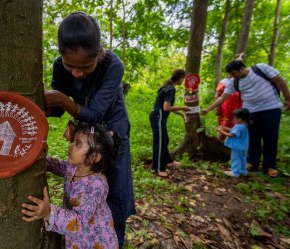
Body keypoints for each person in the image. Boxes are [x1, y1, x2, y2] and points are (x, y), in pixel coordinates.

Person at [43, 12, 135, 247]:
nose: (76, 73)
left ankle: (115, 239)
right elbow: (57, 109)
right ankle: (83, 236)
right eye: (69, 65)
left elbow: (96, 112)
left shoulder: (112, 65)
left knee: (114, 189)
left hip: (111, 133)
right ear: (61, 56)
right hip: (86, 130)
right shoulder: (58, 66)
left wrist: (63, 101)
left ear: (99, 54)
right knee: (80, 179)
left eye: (85, 66)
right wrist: (42, 103)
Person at [22, 123, 120, 248]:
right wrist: (41, 160)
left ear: (93, 157)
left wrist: (49, 212)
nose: (70, 146)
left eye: (78, 144)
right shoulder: (74, 167)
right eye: (73, 141)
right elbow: (57, 166)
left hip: (95, 241)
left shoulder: (96, 186)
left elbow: (79, 222)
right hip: (78, 237)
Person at [202, 60, 290, 177]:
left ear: (242, 68)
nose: (232, 76)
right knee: (253, 137)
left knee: (270, 137)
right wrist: (208, 109)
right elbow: (223, 97)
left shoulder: (261, 68)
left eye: (233, 73)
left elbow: (279, 81)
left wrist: (288, 98)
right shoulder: (234, 82)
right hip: (250, 112)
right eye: (230, 74)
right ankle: (252, 163)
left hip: (271, 108)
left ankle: (270, 166)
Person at [149, 69, 190, 177]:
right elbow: (166, 107)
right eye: (183, 79)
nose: (183, 81)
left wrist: (181, 114)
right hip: (158, 116)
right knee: (160, 141)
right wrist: (183, 107)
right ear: (180, 78)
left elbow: (167, 107)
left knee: (164, 139)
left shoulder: (167, 86)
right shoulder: (170, 89)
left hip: (158, 116)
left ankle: (168, 161)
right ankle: (157, 169)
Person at [217, 108, 249, 177]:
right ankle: (243, 171)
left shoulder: (239, 127)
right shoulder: (244, 125)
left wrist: (221, 131)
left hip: (236, 146)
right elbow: (234, 130)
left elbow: (231, 135)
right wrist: (225, 128)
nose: (234, 120)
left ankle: (235, 172)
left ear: (240, 119)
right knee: (242, 158)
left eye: (235, 118)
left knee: (235, 158)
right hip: (243, 146)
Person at [215, 77, 242, 141]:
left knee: (239, 127)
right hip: (227, 109)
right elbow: (217, 95)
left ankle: (234, 146)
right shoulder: (224, 82)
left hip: (240, 108)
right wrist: (217, 108)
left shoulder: (242, 80)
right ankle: (219, 145)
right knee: (225, 126)